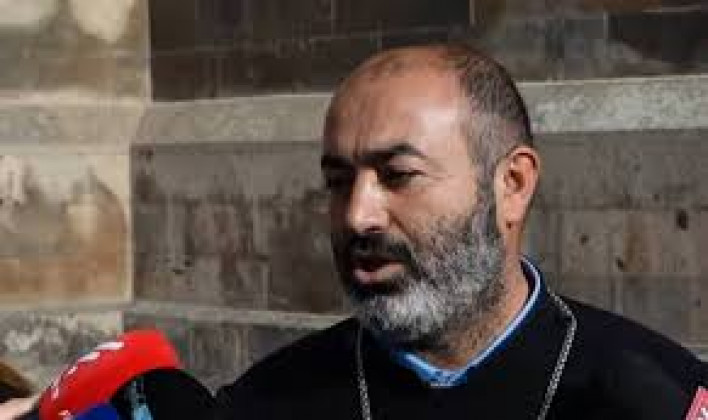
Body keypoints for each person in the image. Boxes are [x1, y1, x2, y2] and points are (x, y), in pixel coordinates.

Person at [217, 43, 708, 419]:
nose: (357, 216)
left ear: (512, 185)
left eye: (398, 175)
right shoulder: (265, 402)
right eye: (338, 182)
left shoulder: (662, 398)